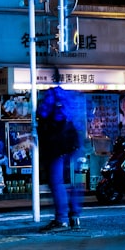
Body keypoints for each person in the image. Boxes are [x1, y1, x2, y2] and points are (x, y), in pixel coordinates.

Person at [37, 85, 84, 231]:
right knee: (74, 183)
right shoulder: (68, 100)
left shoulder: (49, 98)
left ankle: (61, 219)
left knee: (56, 182)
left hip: (56, 145)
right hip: (73, 142)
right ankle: (74, 217)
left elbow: (43, 114)